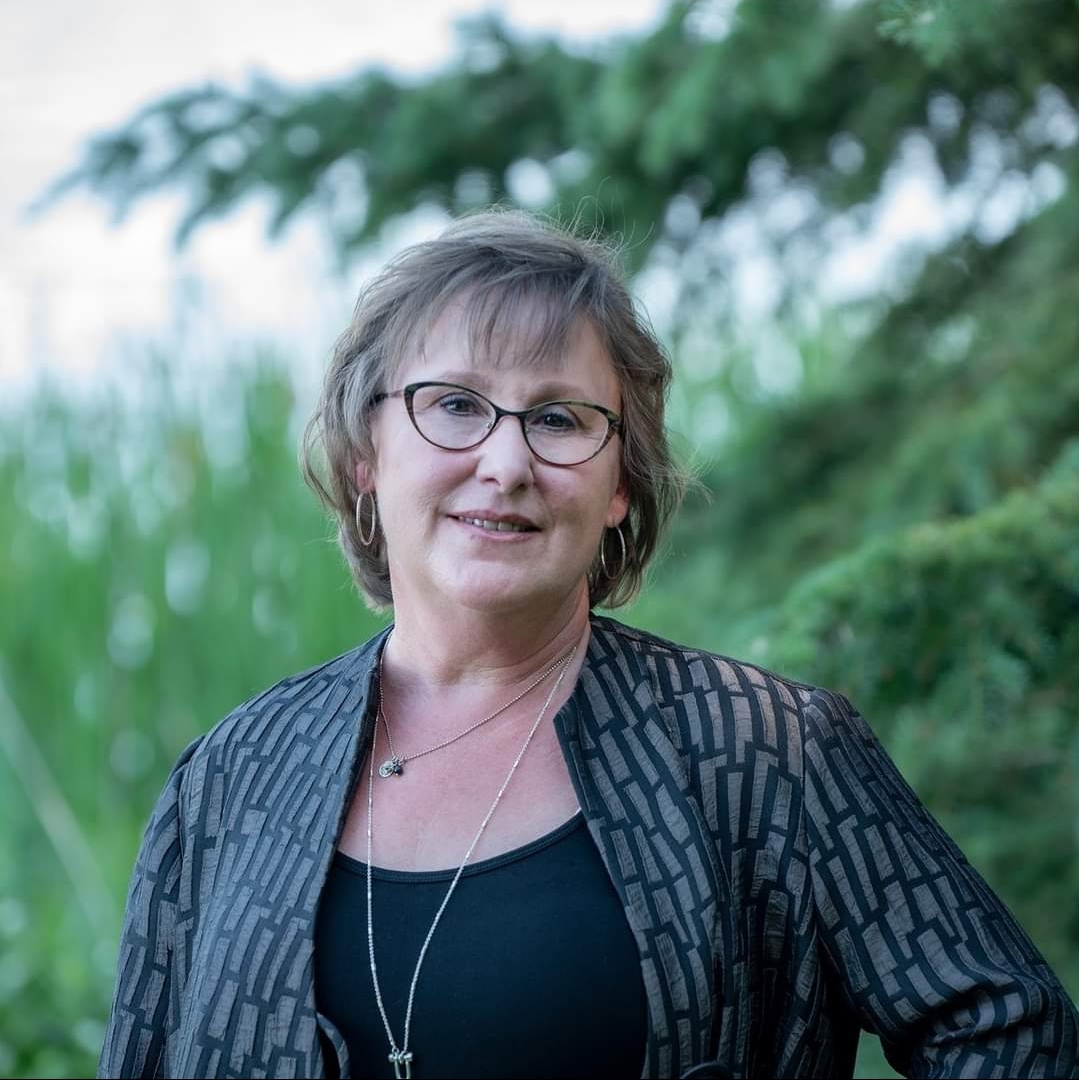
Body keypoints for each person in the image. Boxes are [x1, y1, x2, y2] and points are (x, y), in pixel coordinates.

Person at [98, 209, 1078, 1080]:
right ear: (366, 455)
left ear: (617, 485)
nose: (506, 462)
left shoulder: (766, 753)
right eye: (454, 405)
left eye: (559, 419)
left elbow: (1009, 1030)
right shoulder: (230, 778)